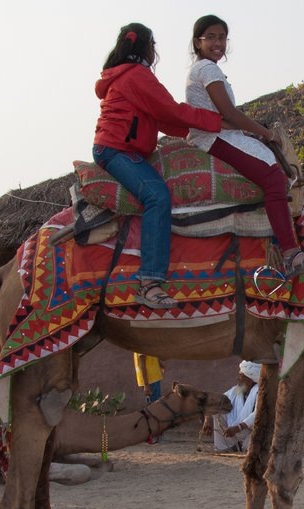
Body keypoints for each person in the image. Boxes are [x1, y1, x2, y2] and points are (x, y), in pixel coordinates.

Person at [93, 22, 230, 309]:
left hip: (125, 149)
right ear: (146, 47)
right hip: (117, 150)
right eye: (153, 46)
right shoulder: (137, 76)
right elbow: (172, 110)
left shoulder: (130, 76)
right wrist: (216, 122)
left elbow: (162, 119)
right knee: (157, 196)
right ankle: (150, 282)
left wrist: (196, 132)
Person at [185, 14, 304, 279]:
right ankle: (291, 254)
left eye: (222, 37)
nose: (218, 43)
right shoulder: (207, 70)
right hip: (212, 137)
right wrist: (265, 133)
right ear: (198, 42)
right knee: (274, 179)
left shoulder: (207, 70)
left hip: (221, 133)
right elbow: (229, 113)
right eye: (211, 38)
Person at [200, 360, 261, 453]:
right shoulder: (237, 390)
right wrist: (208, 418)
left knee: (250, 449)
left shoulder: (259, 391)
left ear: (249, 380)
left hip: (252, 431)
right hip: (236, 430)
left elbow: (257, 413)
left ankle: (242, 446)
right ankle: (226, 446)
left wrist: (238, 428)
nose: (237, 378)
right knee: (218, 412)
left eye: (240, 376)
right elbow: (219, 400)